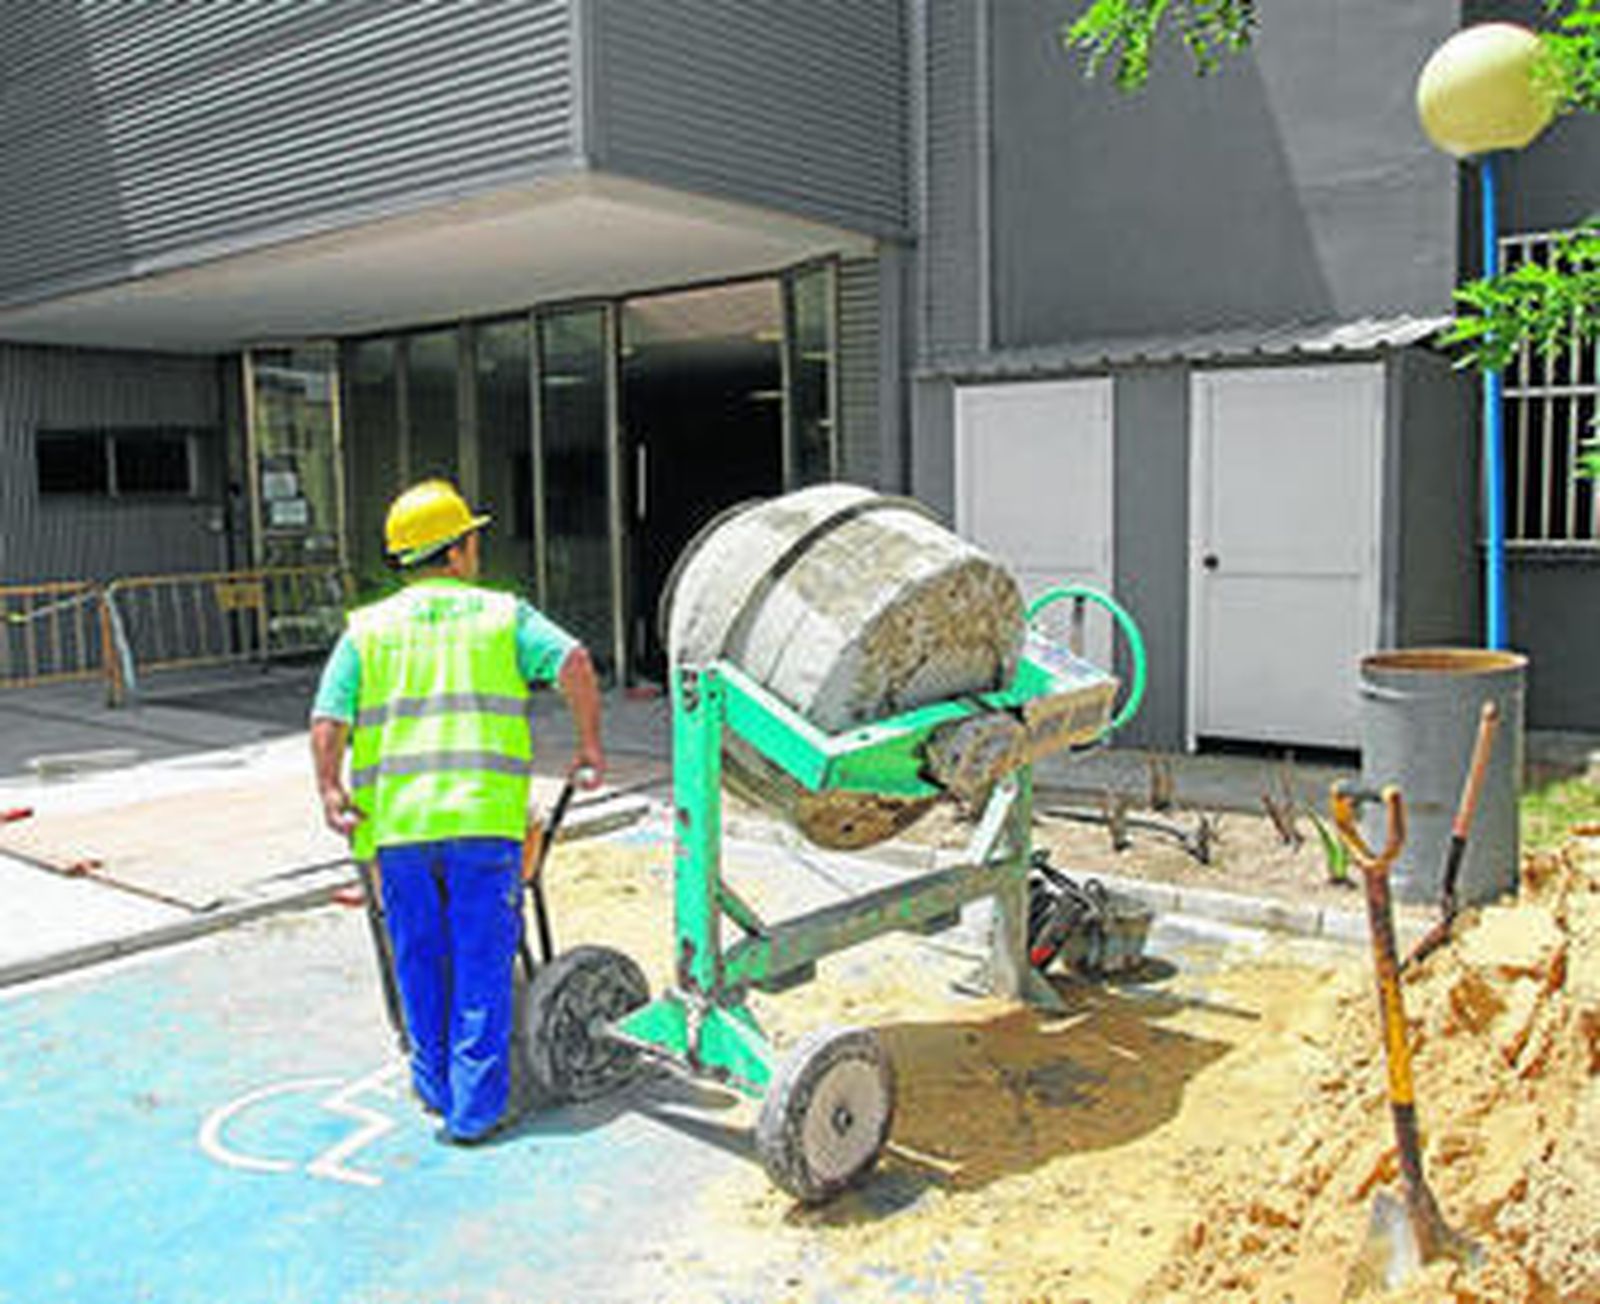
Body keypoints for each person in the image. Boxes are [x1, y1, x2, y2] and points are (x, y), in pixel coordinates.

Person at [310, 479, 604, 1142]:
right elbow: (575, 660)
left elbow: (328, 717)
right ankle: (474, 1111)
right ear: (457, 550)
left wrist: (331, 790)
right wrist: (588, 744)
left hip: (399, 830)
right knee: (482, 962)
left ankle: (435, 1087)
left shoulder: (366, 631)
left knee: (418, 959)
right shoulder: (503, 616)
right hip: (483, 824)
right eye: (472, 540)